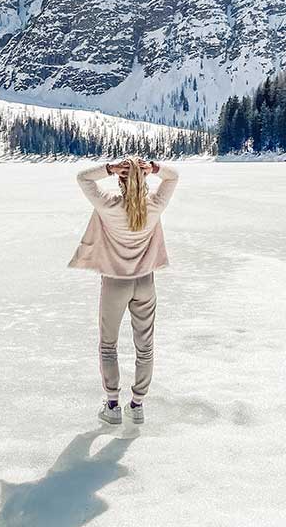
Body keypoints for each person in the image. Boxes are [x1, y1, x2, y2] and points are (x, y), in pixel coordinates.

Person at [69, 156, 179, 425]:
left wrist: (108, 168)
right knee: (145, 346)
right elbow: (172, 177)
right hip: (144, 283)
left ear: (120, 180)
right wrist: (154, 167)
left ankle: (113, 405)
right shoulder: (153, 207)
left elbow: (83, 178)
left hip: (115, 283)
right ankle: (138, 404)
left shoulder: (109, 207)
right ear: (144, 181)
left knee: (108, 346)